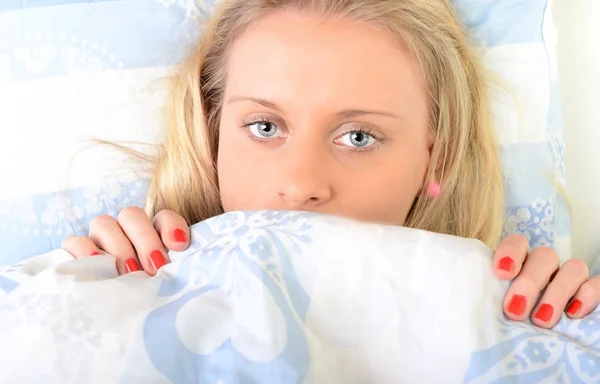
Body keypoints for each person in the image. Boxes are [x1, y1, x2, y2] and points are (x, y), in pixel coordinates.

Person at [61, 0, 599, 329]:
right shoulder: (128, 286)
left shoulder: (507, 318)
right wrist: (92, 297)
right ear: (212, 139)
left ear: (437, 158)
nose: (300, 186)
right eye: (265, 127)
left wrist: (559, 328)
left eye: (358, 136)